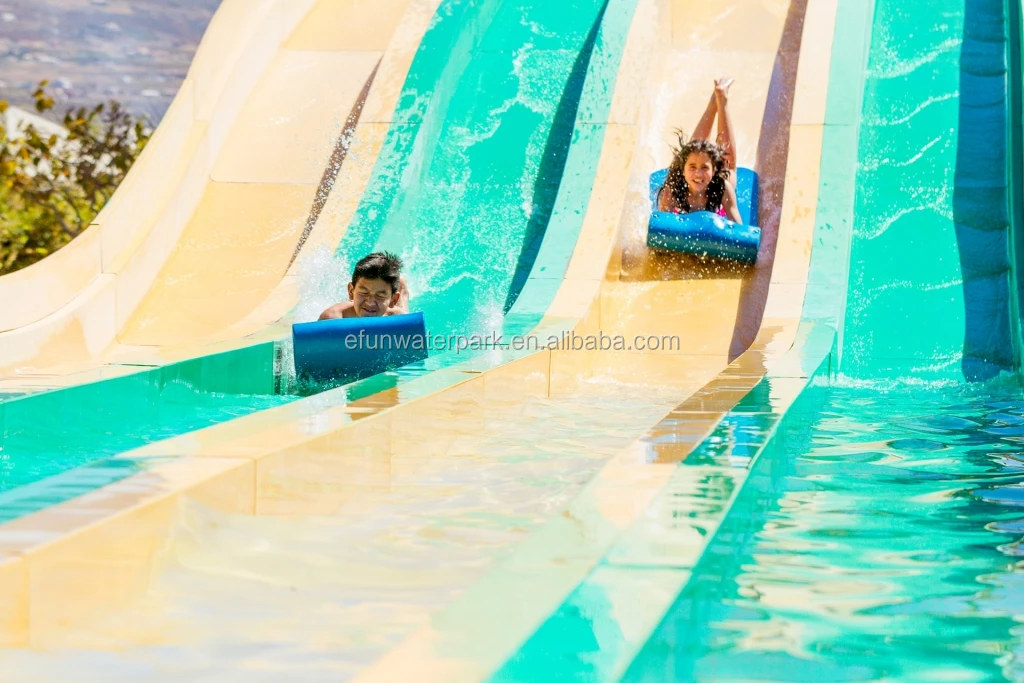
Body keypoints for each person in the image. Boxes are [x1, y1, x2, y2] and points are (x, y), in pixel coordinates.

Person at [657, 78, 743, 224]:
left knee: (728, 167)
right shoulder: (672, 191)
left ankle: (722, 101)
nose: (698, 173)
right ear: (682, 170)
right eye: (692, 168)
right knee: (695, 151)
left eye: (705, 168)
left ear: (714, 170)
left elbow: (739, 230)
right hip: (685, 177)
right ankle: (715, 102)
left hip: (717, 186)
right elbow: (662, 228)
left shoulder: (722, 188)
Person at [319, 251, 410, 320]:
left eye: (380, 295)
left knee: (403, 311)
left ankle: (401, 285)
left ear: (393, 300)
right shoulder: (332, 318)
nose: (370, 303)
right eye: (363, 292)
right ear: (351, 292)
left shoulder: (400, 320)